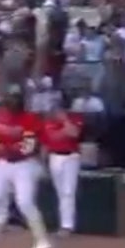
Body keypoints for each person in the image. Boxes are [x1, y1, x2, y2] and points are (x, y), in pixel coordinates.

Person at [0, 89, 53, 248]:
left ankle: (42, 241)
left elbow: (28, 147)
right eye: (9, 100)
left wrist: (3, 148)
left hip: (24, 165)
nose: (12, 103)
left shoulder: (31, 119)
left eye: (15, 100)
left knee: (25, 201)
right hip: (2, 164)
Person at [41, 100, 84, 235]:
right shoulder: (48, 123)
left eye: (59, 110)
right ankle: (64, 224)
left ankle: (67, 226)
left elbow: (74, 133)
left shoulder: (75, 119)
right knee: (61, 193)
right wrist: (43, 163)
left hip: (71, 157)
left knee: (68, 192)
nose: (56, 113)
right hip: (55, 157)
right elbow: (49, 141)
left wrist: (65, 120)